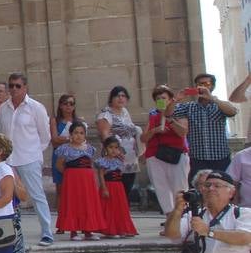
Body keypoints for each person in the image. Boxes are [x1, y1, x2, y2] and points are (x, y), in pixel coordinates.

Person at [0, 72, 54, 245]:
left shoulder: (36, 107)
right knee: (6, 196)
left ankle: (47, 232)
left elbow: (45, 135)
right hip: (9, 160)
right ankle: (8, 232)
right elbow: (2, 134)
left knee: (37, 195)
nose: (14, 89)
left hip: (29, 157)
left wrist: (35, 152)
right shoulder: (3, 108)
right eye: (11, 85)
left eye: (17, 86)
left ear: (25, 87)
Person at [173, 73, 238, 185]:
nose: (202, 86)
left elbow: (232, 112)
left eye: (206, 84)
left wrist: (212, 98)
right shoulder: (188, 107)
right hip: (198, 159)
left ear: (212, 86)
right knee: (198, 190)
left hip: (220, 158)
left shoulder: (220, 105)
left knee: (222, 188)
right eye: (199, 84)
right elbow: (168, 113)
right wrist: (176, 99)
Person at [53, 121, 107, 240]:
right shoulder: (65, 149)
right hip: (72, 180)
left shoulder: (89, 149)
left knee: (87, 203)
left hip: (87, 181)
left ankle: (88, 230)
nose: (79, 135)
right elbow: (59, 165)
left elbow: (90, 164)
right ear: (71, 134)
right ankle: (74, 232)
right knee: (73, 203)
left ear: (85, 135)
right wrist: (70, 174)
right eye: (76, 133)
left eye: (82, 133)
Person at [140, 84, 189, 215]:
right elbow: (143, 138)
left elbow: (183, 132)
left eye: (163, 98)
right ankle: (169, 220)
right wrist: (155, 130)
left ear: (170, 99)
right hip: (155, 155)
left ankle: (182, 219)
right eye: (158, 99)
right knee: (161, 188)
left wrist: (170, 121)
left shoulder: (179, 111)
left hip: (176, 154)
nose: (161, 101)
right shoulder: (152, 115)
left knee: (179, 188)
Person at [95, 85, 140, 197]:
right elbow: (105, 136)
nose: (120, 98)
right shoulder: (105, 114)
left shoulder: (125, 112)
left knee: (127, 189)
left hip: (130, 158)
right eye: (117, 96)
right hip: (115, 158)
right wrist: (116, 152)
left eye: (123, 96)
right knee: (117, 190)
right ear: (111, 98)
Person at [97, 136, 138, 238]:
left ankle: (122, 228)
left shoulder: (119, 161)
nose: (113, 150)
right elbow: (101, 175)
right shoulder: (102, 161)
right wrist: (104, 188)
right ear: (105, 148)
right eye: (111, 147)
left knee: (120, 208)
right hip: (109, 185)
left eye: (116, 148)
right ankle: (110, 230)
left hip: (118, 187)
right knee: (109, 208)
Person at [49, 93, 81, 188]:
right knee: (60, 188)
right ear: (60, 105)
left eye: (71, 103)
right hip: (59, 156)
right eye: (65, 103)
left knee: (75, 187)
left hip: (74, 156)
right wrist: (71, 139)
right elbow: (54, 140)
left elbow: (81, 140)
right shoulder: (55, 120)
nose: (68, 106)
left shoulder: (78, 121)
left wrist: (62, 139)